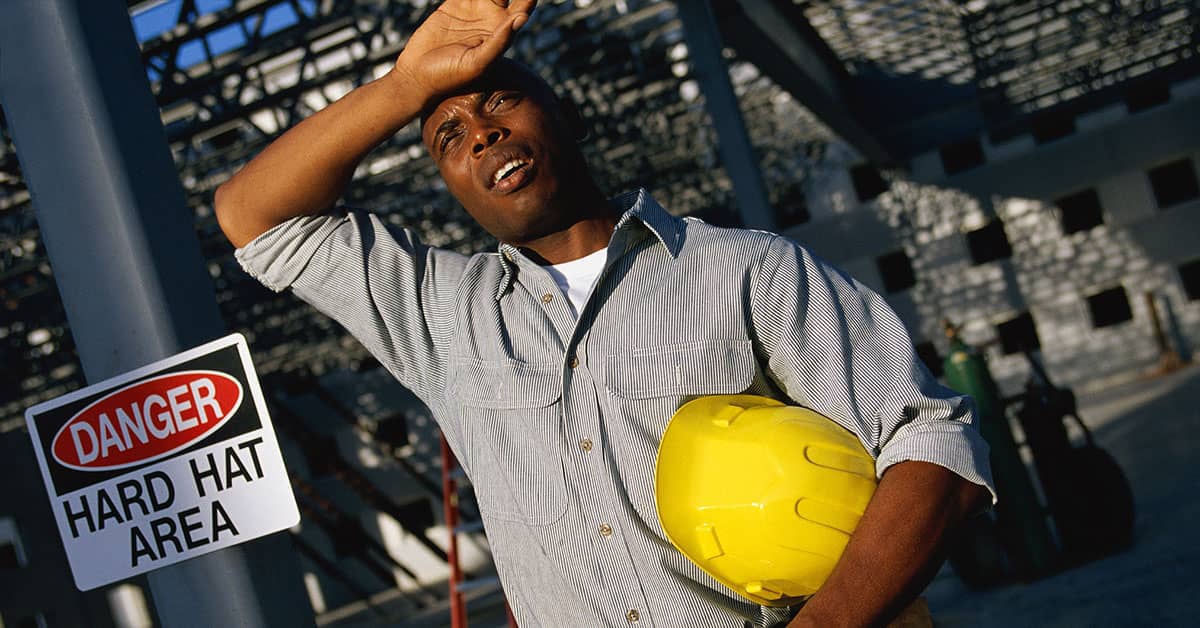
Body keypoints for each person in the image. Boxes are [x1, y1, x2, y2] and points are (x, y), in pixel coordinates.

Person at [215, 1, 995, 626]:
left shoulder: (744, 269)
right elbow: (251, 215)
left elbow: (932, 443)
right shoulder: (439, 317)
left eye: (501, 103)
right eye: (450, 137)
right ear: (451, 183)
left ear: (567, 119)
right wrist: (406, 86)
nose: (482, 133)